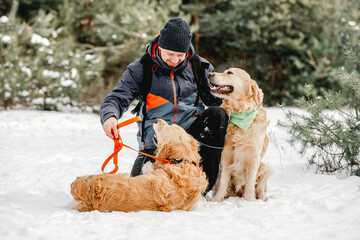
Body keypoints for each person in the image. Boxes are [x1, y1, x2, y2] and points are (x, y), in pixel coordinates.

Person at [100, 17, 228, 194]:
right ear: (160, 46)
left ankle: (203, 188)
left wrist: (244, 97)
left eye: (180, 55)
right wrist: (110, 117)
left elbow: (219, 100)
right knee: (140, 191)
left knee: (217, 114)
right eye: (170, 54)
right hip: (156, 142)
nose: (175, 59)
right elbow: (117, 97)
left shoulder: (199, 66)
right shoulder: (141, 68)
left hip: (190, 141)